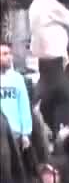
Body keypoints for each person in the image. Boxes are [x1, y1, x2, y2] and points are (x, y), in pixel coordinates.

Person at [29, 0, 69, 109]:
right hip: (53, 50)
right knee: (55, 83)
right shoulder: (49, 3)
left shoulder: (36, 1)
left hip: (42, 50)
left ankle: (33, 105)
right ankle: (32, 105)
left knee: (45, 81)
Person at [0, 41, 36, 173]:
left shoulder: (17, 79)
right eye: (4, 54)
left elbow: (24, 106)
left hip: (15, 135)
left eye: (9, 54)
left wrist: (26, 133)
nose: (9, 57)